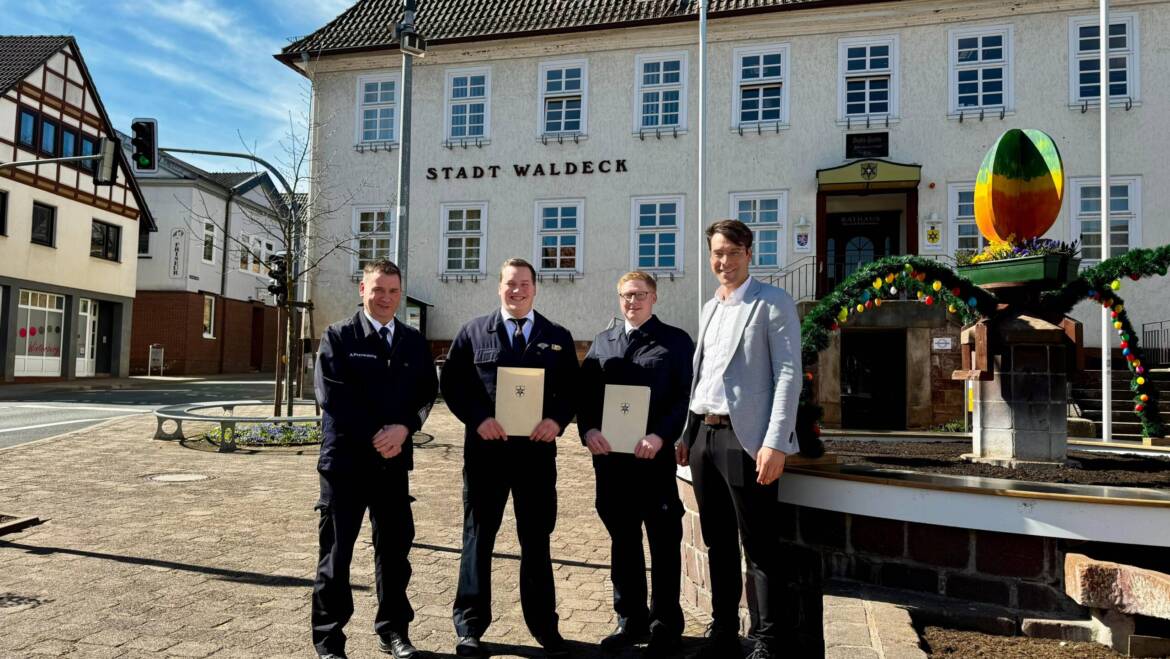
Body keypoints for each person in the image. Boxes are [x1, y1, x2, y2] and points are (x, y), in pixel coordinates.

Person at [677, 220, 816, 659]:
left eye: (732, 253)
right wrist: (687, 432)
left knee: (758, 546)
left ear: (749, 253)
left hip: (746, 441)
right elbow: (703, 376)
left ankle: (767, 639)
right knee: (717, 540)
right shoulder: (709, 307)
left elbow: (788, 375)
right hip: (704, 436)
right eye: (717, 253)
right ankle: (722, 631)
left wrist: (775, 442)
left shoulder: (772, 303)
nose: (723, 262)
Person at [440, 258, 580, 659]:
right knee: (478, 538)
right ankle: (469, 626)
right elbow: (453, 384)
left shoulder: (557, 336)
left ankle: (544, 627)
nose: (516, 291)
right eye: (509, 284)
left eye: (523, 284)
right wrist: (478, 418)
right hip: (487, 454)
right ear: (498, 287)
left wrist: (556, 420)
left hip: (536, 456)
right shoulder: (472, 332)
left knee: (536, 540)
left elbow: (572, 389)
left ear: (535, 288)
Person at [311, 260, 438, 659]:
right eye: (378, 290)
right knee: (336, 554)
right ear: (362, 290)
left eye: (393, 291)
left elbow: (426, 393)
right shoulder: (338, 336)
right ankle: (330, 639)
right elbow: (332, 396)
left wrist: (404, 429)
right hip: (345, 465)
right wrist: (377, 434)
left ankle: (394, 631)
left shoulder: (413, 342)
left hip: (393, 464)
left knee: (395, 552)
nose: (386, 298)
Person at [577, 272, 694, 658]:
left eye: (640, 295)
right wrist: (589, 430)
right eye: (627, 295)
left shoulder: (675, 342)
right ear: (619, 298)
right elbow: (587, 397)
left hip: (653, 461)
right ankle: (630, 620)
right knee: (623, 542)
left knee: (663, 543)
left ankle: (665, 627)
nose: (633, 301)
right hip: (612, 464)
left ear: (654, 298)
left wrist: (662, 435)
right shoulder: (602, 341)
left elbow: (683, 398)